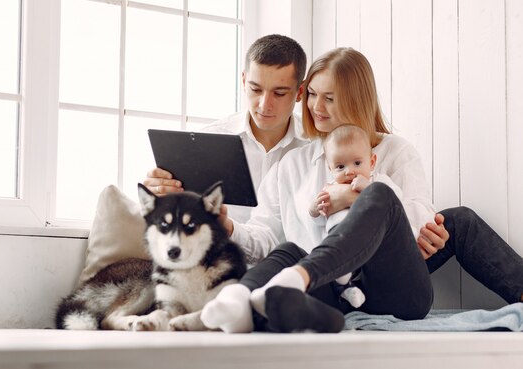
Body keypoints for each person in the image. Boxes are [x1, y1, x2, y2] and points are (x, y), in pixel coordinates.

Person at [199, 47, 523, 334]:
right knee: (285, 251)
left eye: (329, 97)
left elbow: (420, 225)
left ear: (356, 99)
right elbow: (265, 235)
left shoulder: (396, 152)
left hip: (391, 290)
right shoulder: (292, 163)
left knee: (428, 210)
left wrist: (356, 196)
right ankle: (236, 302)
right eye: (311, 94)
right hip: (329, 291)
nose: (315, 106)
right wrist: (228, 228)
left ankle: (298, 277)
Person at [143, 34, 309, 224]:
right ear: (244, 81)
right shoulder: (206, 141)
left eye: (279, 93)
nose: (264, 105)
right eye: (255, 89)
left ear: (300, 93)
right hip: (221, 250)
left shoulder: (319, 147)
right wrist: (159, 195)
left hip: (294, 253)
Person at [308, 123, 406, 309]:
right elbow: (318, 218)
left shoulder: (378, 181)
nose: (349, 171)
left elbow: (394, 201)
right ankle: (346, 289)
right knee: (336, 270)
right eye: (340, 166)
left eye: (357, 163)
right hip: (338, 241)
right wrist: (314, 208)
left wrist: (369, 189)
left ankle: (346, 280)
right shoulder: (330, 188)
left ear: (372, 162)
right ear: (330, 168)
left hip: (370, 247)